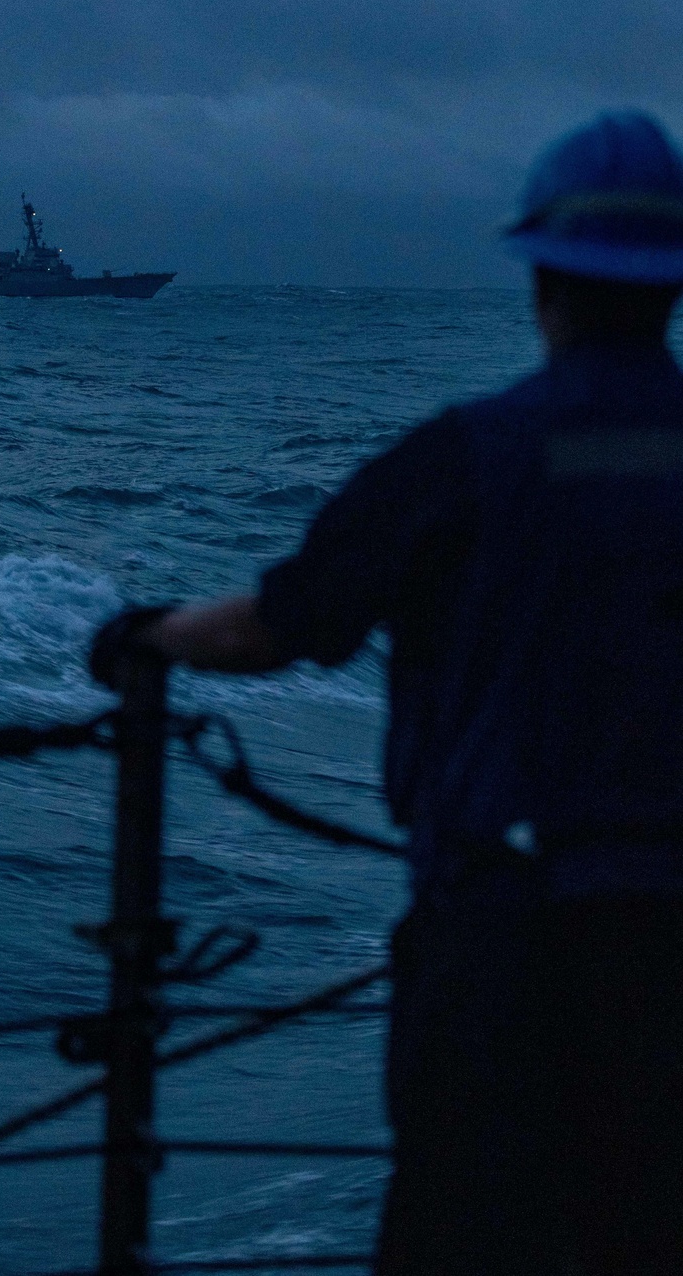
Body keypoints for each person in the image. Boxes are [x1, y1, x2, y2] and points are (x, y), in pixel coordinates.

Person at [90, 111, 683, 1275]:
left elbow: (278, 626)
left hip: (504, 940)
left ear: (542, 280)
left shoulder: (463, 457)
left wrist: (146, 637)